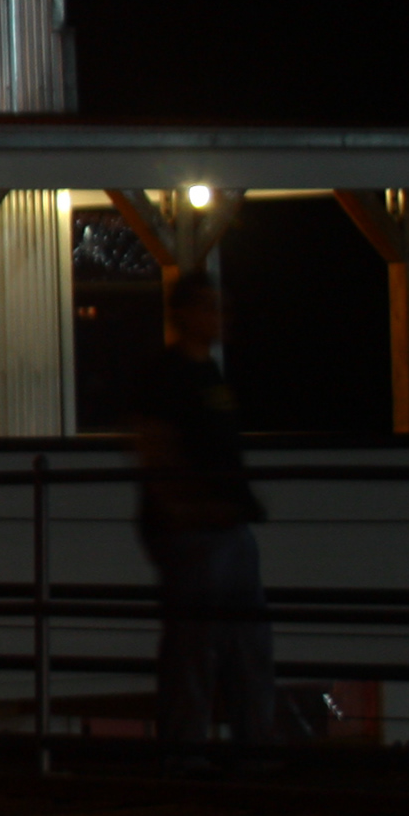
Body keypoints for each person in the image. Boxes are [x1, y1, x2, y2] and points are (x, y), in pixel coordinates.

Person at [131, 272, 275, 771]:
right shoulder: (172, 374)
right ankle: (195, 754)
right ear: (185, 313)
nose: (220, 316)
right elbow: (156, 452)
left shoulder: (207, 372)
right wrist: (186, 510)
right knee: (200, 647)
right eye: (210, 307)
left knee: (238, 646)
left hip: (220, 529)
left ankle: (235, 750)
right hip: (197, 531)